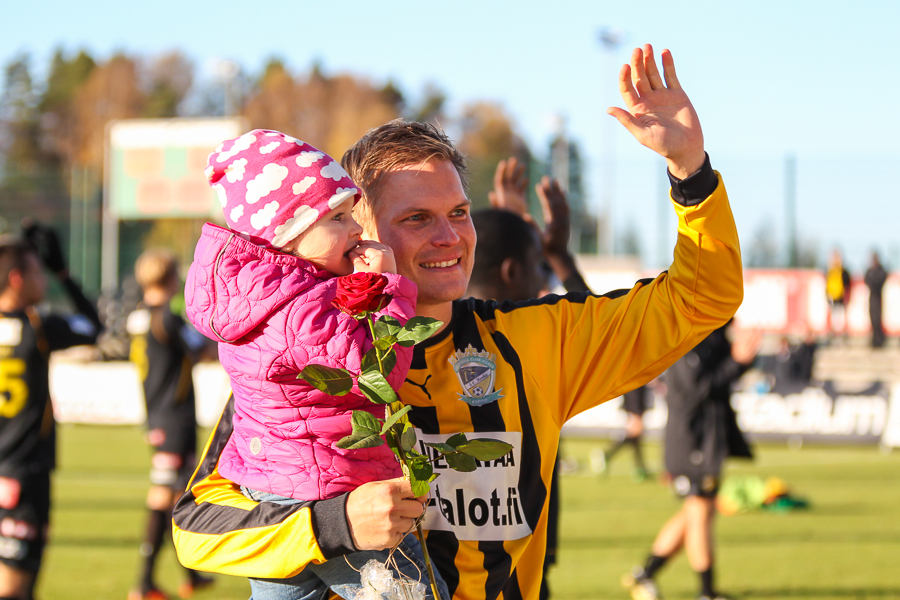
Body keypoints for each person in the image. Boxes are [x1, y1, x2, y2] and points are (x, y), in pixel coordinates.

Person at [172, 44, 744, 600]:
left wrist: (690, 172)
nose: (449, 238)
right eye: (417, 218)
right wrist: (331, 525)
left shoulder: (537, 341)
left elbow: (703, 298)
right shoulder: (308, 371)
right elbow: (197, 526)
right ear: (357, 226)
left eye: (459, 213)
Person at [182, 131, 444, 600]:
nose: (356, 229)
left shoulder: (264, 298)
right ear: (289, 233)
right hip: (331, 490)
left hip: (278, 490)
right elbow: (376, 372)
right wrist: (388, 285)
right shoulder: (300, 308)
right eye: (340, 218)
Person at [470, 160, 592, 600]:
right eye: (539, 268)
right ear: (511, 272)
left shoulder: (416, 341)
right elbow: (597, 331)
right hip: (521, 566)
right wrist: (560, 256)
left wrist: (510, 230)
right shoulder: (538, 351)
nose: (547, 283)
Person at [0, 225, 102, 600]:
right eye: (37, 271)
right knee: (15, 589)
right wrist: (64, 273)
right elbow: (94, 326)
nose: (42, 278)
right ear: (16, 279)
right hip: (23, 477)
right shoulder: (38, 326)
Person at [623, 322, 759, 600]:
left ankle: (645, 574)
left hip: (706, 442)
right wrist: (736, 361)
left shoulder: (711, 338)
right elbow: (699, 388)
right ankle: (707, 593)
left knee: (694, 514)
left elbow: (721, 376)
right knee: (699, 515)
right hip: (690, 443)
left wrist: (741, 359)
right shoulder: (686, 341)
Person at [126, 250, 214, 600]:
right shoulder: (169, 319)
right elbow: (203, 351)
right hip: (174, 419)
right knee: (169, 497)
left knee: (171, 494)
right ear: (171, 278)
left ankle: (187, 575)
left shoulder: (138, 317)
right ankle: (145, 582)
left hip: (155, 416)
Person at [599, 384, 650, 481]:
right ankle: (608, 454)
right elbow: (632, 393)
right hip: (634, 407)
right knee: (634, 435)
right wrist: (635, 412)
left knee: (635, 438)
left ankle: (640, 468)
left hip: (636, 406)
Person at [825, 248, 851, 340]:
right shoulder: (830, 271)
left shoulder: (842, 272)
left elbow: (847, 285)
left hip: (841, 298)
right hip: (832, 297)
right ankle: (834, 334)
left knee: (840, 317)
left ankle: (841, 334)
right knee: (834, 317)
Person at [864, 251, 888, 348]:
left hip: (878, 296)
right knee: (873, 318)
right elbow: (867, 280)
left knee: (878, 318)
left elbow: (882, 279)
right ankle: (874, 340)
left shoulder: (881, 271)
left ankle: (879, 340)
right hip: (872, 297)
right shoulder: (870, 271)